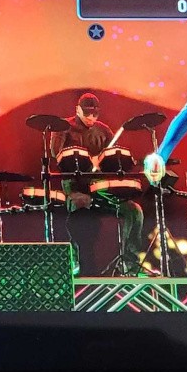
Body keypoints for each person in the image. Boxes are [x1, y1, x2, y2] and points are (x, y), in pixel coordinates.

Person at [63, 92, 145, 276]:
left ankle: (130, 264)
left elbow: (113, 156)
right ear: (77, 110)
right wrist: (89, 159)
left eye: (95, 114)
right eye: (87, 113)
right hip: (76, 188)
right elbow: (57, 155)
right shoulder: (64, 128)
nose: (91, 117)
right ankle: (75, 260)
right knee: (78, 206)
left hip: (100, 188)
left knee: (134, 211)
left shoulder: (104, 130)